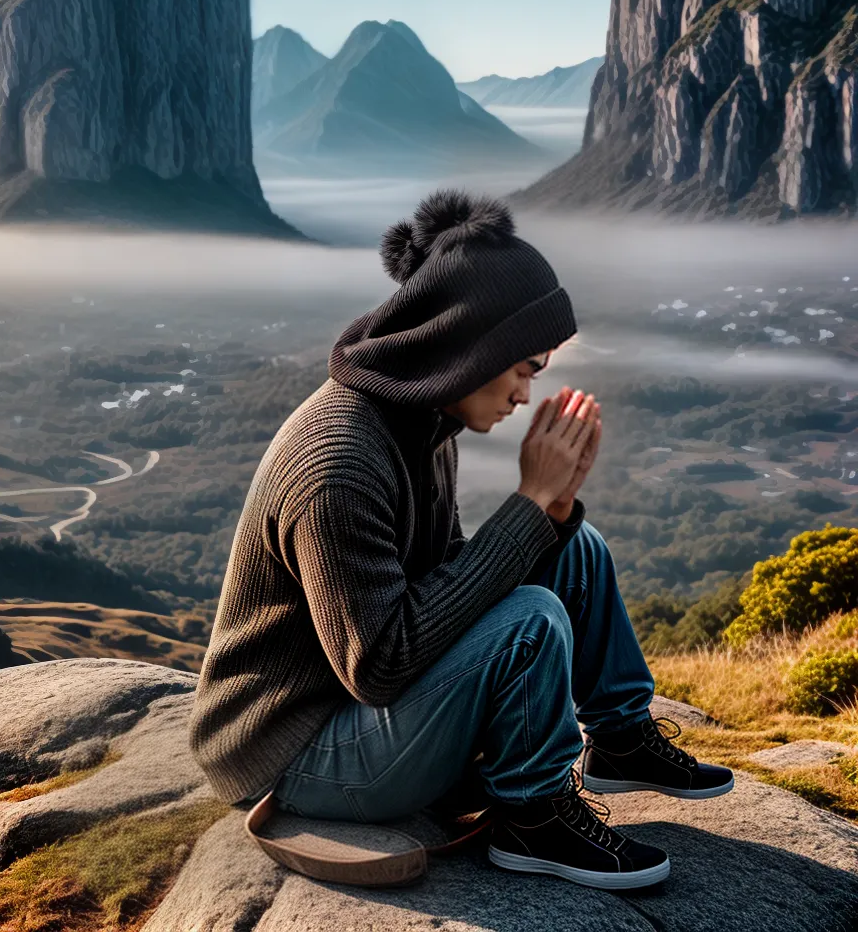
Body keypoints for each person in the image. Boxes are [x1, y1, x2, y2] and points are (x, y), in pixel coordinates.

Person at [188, 189, 734, 891]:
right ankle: (532, 818)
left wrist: (550, 514)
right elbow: (379, 665)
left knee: (577, 549)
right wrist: (525, 505)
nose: (526, 392)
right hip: (293, 753)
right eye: (524, 366)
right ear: (472, 346)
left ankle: (621, 741)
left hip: (355, 707)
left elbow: (440, 574)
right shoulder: (338, 464)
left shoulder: (421, 422)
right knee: (530, 621)